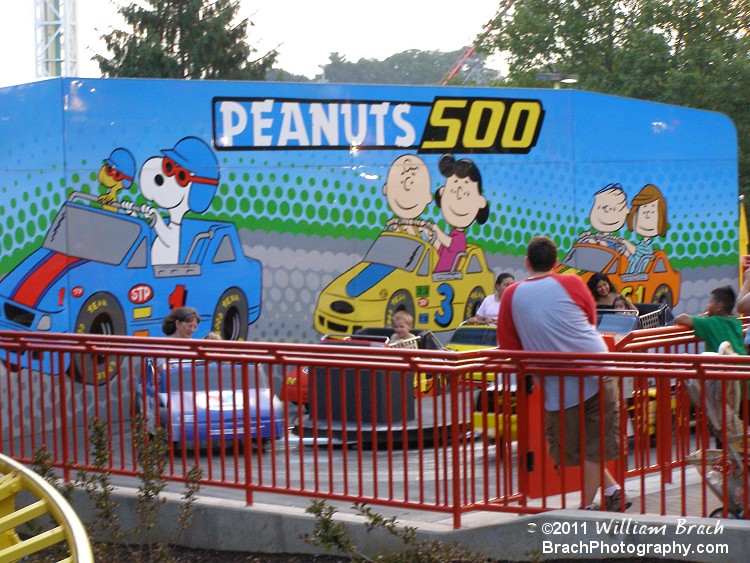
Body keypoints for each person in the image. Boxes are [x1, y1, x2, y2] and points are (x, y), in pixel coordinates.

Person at [497, 236, 629, 511]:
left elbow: (509, 345)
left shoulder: (511, 294)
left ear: (526, 263)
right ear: (556, 263)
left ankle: (586, 509)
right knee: (585, 445)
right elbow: (590, 321)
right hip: (597, 370)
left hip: (558, 382)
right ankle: (611, 492)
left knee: (581, 445)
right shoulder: (571, 282)